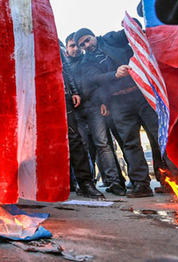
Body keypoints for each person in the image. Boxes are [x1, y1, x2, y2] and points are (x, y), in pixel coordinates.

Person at [75, 27, 158, 198]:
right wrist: (115, 74)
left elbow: (132, 31)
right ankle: (141, 185)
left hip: (141, 94)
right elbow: (96, 79)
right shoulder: (85, 62)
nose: (86, 45)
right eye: (82, 44)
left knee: (158, 136)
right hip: (118, 102)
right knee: (130, 143)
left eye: (88, 40)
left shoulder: (110, 39)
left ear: (94, 36)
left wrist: (131, 23)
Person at [64, 32, 125, 196]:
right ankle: (87, 184)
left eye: (78, 45)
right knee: (81, 146)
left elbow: (99, 81)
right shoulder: (64, 67)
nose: (76, 48)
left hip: (93, 106)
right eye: (72, 45)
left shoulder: (88, 60)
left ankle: (114, 182)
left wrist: (103, 101)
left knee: (103, 144)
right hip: (75, 111)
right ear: (66, 50)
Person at [60, 41, 105, 199]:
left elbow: (65, 69)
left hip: (60, 95)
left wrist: (73, 91)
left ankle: (85, 183)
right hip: (32, 94)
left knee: (75, 139)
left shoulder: (54, 41)